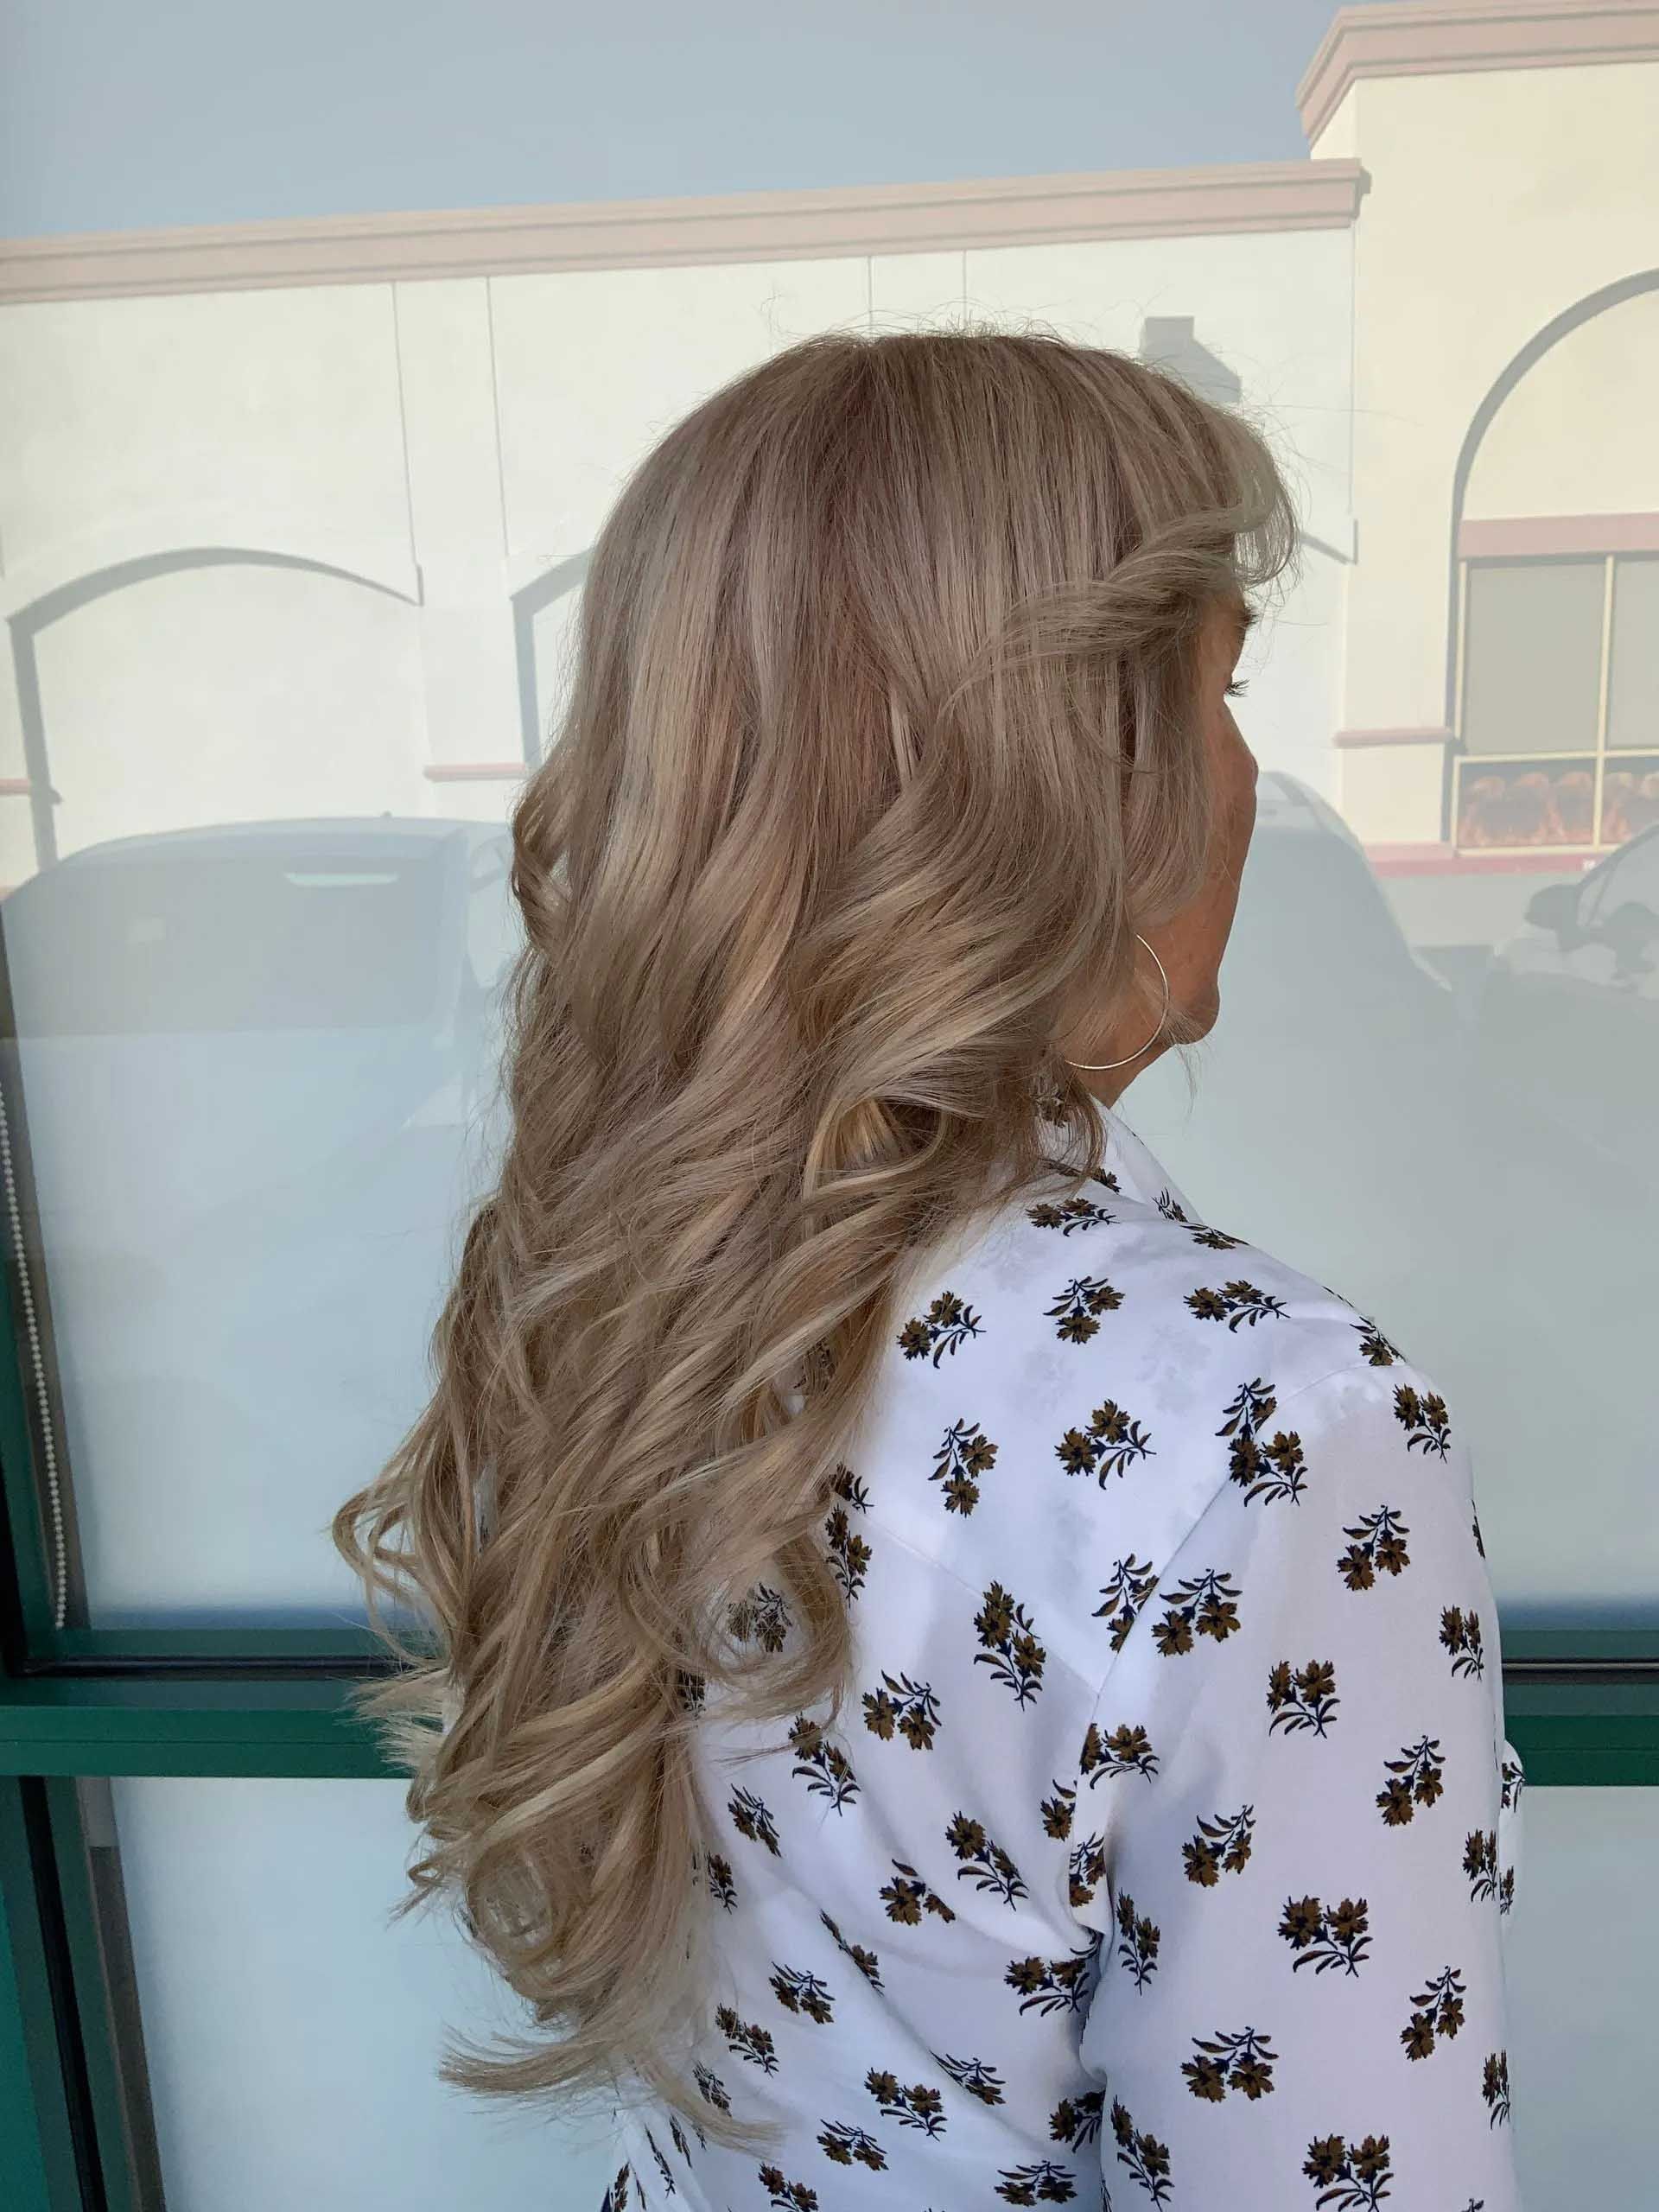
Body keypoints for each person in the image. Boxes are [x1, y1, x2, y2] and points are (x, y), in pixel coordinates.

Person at [332, 327, 1524, 2210]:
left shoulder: (607, 1282)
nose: (1248, 775)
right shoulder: (1271, 1433)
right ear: (1071, 781)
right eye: (1221, 690)